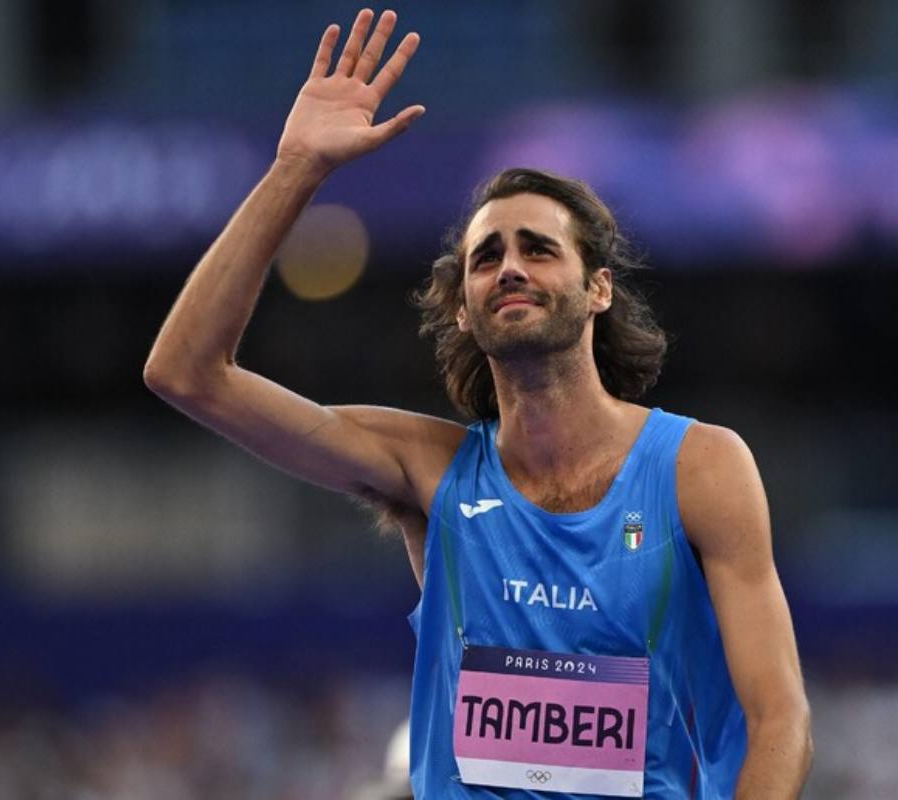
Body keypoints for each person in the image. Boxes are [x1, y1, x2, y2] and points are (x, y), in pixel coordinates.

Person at [143, 8, 812, 798]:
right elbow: (188, 373)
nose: (510, 268)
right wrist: (295, 170)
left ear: (598, 289)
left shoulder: (700, 467)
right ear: (463, 307)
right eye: (486, 257)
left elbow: (779, 718)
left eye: (539, 248)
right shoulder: (428, 469)